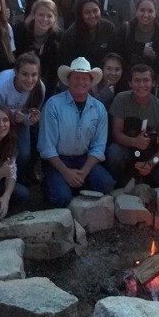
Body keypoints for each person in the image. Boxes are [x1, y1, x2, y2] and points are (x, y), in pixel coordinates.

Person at [38, 58, 116, 207]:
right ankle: (53, 184)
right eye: (76, 78)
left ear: (91, 82)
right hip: (58, 161)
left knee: (106, 185)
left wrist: (84, 172)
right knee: (61, 199)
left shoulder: (99, 109)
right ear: (68, 80)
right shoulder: (53, 105)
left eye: (85, 78)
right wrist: (66, 172)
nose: (81, 82)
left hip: (84, 160)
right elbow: (47, 147)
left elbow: (99, 146)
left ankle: (76, 182)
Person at [106, 64, 159, 187]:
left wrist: (151, 163)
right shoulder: (121, 99)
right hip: (127, 149)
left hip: (151, 154)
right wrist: (135, 142)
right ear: (130, 83)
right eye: (137, 80)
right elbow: (116, 134)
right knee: (114, 153)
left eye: (146, 80)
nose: (141, 85)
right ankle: (118, 181)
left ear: (153, 83)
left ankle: (146, 178)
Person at [0, 53, 46, 180]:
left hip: (18, 118)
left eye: (34, 75)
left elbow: (31, 112)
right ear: (16, 72)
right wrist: (12, 120)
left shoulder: (40, 88)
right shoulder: (1, 87)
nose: (30, 79)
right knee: (1, 148)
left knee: (23, 154)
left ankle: (15, 179)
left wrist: (29, 119)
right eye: (25, 74)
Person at [115, 0, 159, 79]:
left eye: (150, 11)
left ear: (156, 13)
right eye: (142, 10)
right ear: (136, 11)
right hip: (127, 79)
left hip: (150, 82)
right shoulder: (126, 29)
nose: (145, 14)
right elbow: (116, 56)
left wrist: (153, 56)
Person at [13, 0, 62, 89]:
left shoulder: (58, 37)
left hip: (42, 81)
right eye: (41, 15)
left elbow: (53, 72)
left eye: (49, 16)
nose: (44, 19)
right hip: (17, 78)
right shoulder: (19, 31)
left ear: (55, 18)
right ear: (34, 15)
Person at [59, 0, 117, 71]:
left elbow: (114, 56)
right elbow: (65, 63)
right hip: (80, 76)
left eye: (95, 11)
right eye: (87, 12)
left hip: (104, 74)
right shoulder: (70, 34)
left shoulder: (109, 28)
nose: (92, 15)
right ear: (81, 14)